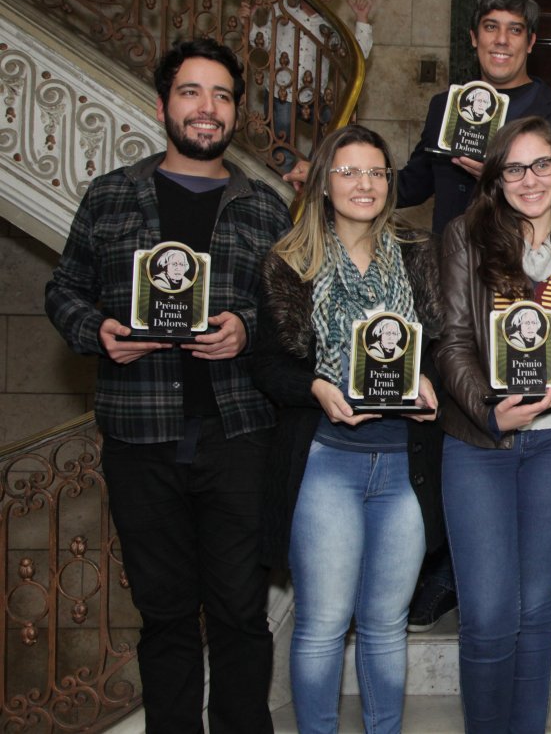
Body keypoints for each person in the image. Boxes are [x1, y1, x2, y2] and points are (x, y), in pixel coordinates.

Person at [45, 38, 291, 733]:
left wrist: (246, 326)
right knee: (166, 615)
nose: (206, 108)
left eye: (221, 95)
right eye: (191, 92)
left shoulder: (265, 207)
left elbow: (291, 317)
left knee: (243, 613)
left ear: (236, 113)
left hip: (239, 436)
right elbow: (62, 289)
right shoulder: (112, 194)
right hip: (138, 436)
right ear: (163, 105)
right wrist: (97, 330)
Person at [251, 124, 444, 733]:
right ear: (324, 181)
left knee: (387, 624)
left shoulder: (418, 253)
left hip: (402, 466)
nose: (366, 184)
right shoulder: (290, 261)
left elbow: (435, 347)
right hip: (326, 463)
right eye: (350, 171)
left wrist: (429, 379)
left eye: (378, 173)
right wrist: (315, 388)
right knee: (324, 623)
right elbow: (266, 365)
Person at [435, 115, 551, 732]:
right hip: (481, 440)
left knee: (535, 608)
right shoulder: (465, 235)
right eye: (514, 167)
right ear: (496, 177)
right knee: (485, 611)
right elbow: (452, 339)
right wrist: (487, 406)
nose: (529, 179)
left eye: (542, 164)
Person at [399, 0, 551, 230]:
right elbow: (413, 185)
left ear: (530, 42)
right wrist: (350, 181)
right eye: (491, 27)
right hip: (450, 263)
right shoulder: (445, 108)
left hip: (524, 265)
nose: (501, 40)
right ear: (474, 37)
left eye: (515, 30)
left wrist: (503, 180)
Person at [242, 0, 375, 179]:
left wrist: (362, 21)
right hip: (280, 92)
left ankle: (311, 175)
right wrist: (249, 21)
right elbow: (261, 41)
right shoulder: (282, 11)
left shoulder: (330, 25)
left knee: (335, 128)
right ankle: (285, 183)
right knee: (280, 145)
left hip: (315, 96)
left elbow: (356, 56)